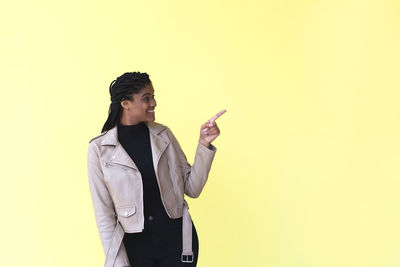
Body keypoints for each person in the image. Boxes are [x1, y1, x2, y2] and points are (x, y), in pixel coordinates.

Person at [87, 71, 225, 267]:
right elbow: (104, 214)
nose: (153, 103)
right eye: (146, 98)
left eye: (153, 97)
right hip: (135, 251)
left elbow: (192, 188)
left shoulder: (164, 135)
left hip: (177, 246)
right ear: (125, 104)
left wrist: (204, 144)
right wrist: (117, 261)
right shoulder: (99, 150)